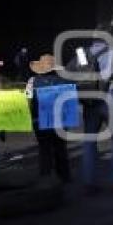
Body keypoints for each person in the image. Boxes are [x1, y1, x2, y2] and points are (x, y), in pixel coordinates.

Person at [73, 28, 113, 195]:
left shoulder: (82, 52)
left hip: (90, 101)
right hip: (110, 99)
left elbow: (71, 73)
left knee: (89, 141)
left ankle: (89, 183)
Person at [25, 54, 72, 183]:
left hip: (40, 120)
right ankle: (64, 177)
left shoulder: (32, 81)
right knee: (60, 148)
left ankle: (46, 178)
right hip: (60, 121)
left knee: (44, 150)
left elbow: (28, 99)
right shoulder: (65, 81)